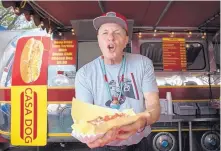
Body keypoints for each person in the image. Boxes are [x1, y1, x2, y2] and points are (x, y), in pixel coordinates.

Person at [74, 11, 160, 151]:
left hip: (140, 144)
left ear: (126, 40)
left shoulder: (143, 64)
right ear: (98, 40)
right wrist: (90, 135)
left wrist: (140, 122)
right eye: (105, 33)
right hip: (103, 146)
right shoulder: (84, 74)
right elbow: (85, 119)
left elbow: (154, 106)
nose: (111, 38)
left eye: (117, 33)